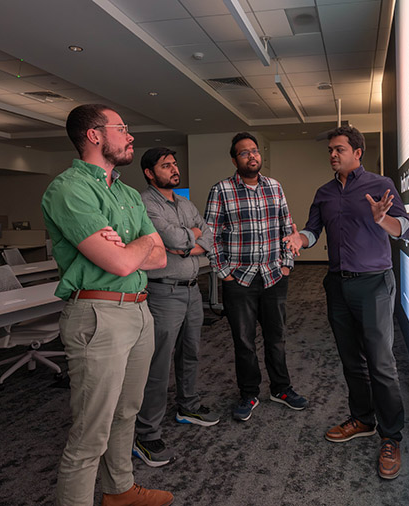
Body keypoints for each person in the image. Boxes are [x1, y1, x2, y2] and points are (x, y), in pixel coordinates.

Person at [42, 104, 173, 506]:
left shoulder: (128, 192)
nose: (130, 135)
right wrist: (139, 246)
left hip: (138, 310)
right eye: (122, 128)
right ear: (95, 135)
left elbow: (162, 256)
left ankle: (119, 491)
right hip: (97, 315)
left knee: (126, 412)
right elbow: (119, 262)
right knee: (90, 432)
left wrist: (131, 247)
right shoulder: (69, 189)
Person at [283, 126, 409, 480]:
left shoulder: (380, 184)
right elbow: (313, 231)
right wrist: (300, 238)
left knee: (381, 364)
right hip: (337, 285)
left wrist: (381, 218)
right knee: (350, 360)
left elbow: (405, 227)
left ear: (358, 152)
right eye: (330, 150)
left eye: (339, 149)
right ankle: (364, 419)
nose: (332, 155)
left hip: (374, 285)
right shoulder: (324, 193)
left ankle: (391, 436)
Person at [204, 132, 308, 421]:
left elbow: (288, 227)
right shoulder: (221, 190)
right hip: (239, 279)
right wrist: (223, 273)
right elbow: (210, 234)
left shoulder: (274, 187)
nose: (251, 156)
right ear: (234, 159)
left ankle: (281, 388)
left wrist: (286, 265)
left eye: (254, 151)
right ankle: (249, 393)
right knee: (244, 341)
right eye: (244, 153)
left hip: (274, 276)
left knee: (277, 338)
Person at [133, 147, 219, 468]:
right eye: (165, 165)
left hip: (193, 290)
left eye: (174, 164)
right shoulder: (145, 203)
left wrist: (186, 244)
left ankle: (188, 406)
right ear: (149, 172)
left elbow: (207, 237)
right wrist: (188, 242)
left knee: (190, 352)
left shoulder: (184, 202)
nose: (173, 169)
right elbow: (171, 238)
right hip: (162, 293)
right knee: (158, 363)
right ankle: (147, 432)